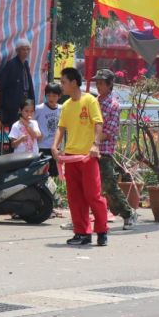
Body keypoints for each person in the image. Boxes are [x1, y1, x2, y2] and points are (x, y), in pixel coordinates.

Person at [52, 67, 108, 247]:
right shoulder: (67, 105)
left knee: (93, 195)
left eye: (63, 82)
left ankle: (102, 230)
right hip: (71, 156)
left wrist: (95, 144)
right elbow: (61, 128)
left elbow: (99, 124)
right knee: (75, 197)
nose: (62, 86)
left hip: (88, 156)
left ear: (74, 82)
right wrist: (55, 146)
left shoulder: (90, 100)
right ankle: (82, 232)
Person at [93, 69, 136, 230]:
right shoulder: (93, 102)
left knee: (109, 186)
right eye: (97, 83)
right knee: (90, 186)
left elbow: (109, 132)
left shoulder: (113, 106)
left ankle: (128, 213)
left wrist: (92, 141)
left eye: (101, 83)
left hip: (103, 151)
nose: (98, 86)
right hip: (90, 149)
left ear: (110, 85)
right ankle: (84, 217)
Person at [0, 38, 35, 134]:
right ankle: (13, 149)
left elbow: (29, 85)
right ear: (17, 50)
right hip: (13, 105)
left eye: (28, 49)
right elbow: (1, 84)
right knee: (15, 130)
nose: (26, 51)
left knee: (26, 129)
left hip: (25, 104)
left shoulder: (25, 63)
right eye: (23, 49)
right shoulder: (11, 64)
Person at [35, 82, 63, 180]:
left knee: (54, 174)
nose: (51, 98)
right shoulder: (39, 108)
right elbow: (30, 121)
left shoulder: (62, 109)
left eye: (54, 95)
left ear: (59, 96)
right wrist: (36, 132)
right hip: (42, 146)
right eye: (48, 95)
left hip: (55, 147)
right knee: (42, 173)